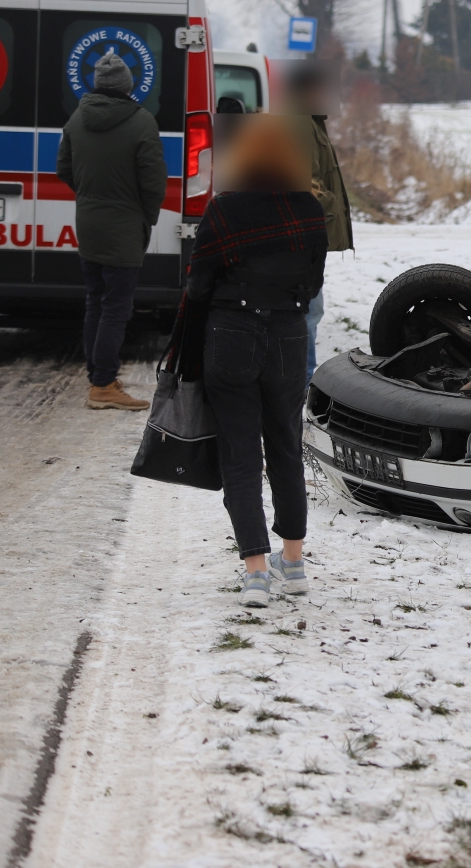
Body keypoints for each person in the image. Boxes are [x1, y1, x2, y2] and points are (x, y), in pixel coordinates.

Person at [173, 116, 328, 607]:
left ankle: (257, 573)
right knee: (285, 449)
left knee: (240, 456)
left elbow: (197, 284)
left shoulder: (225, 210)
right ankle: (295, 562)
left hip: (231, 338)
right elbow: (313, 283)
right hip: (287, 336)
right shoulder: (308, 210)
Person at [56, 50, 166, 410]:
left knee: (95, 302)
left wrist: (90, 197)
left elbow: (63, 170)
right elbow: (153, 183)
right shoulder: (141, 122)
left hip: (89, 224)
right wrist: (145, 217)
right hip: (124, 228)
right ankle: (103, 385)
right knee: (116, 307)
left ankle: (99, 378)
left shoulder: (76, 120)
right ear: (127, 86)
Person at [285, 65, 353, 381]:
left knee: (309, 310)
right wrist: (331, 207)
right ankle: (301, 380)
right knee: (307, 311)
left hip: (308, 230)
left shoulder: (308, 121)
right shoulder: (299, 123)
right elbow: (303, 182)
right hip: (304, 232)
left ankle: (300, 377)